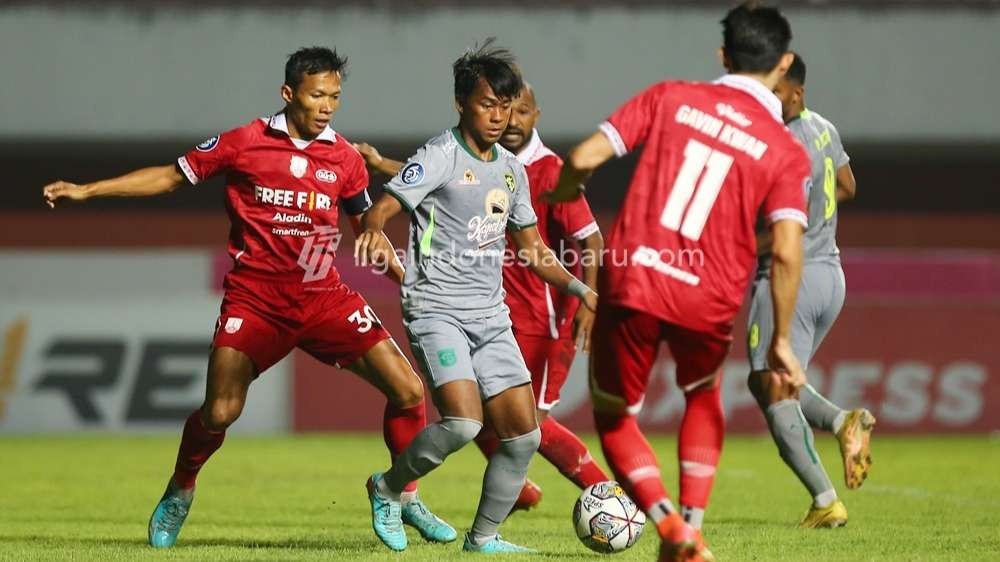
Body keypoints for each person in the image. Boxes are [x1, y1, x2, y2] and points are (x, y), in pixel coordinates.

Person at [42, 47, 454, 549]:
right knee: (219, 412)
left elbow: (368, 233)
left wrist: (409, 282)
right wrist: (87, 191)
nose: (327, 105)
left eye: (335, 96)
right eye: (316, 95)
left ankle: (399, 495)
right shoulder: (244, 142)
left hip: (324, 298)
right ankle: (181, 488)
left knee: (409, 390)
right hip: (255, 301)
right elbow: (172, 176)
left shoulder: (345, 158)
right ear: (288, 94)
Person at [548, 4, 810, 560]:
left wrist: (566, 190)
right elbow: (787, 249)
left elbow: (583, 156)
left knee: (616, 416)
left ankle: (669, 525)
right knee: (702, 393)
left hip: (636, 279)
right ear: (783, 64)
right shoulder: (785, 151)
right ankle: (692, 523)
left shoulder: (670, 97)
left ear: (723, 55)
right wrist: (782, 339)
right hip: (709, 293)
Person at [355, 40, 597, 554]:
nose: (498, 116)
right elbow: (384, 207)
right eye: (488, 104)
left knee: (523, 437)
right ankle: (388, 488)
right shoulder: (439, 155)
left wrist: (581, 288)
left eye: (505, 106)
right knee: (465, 422)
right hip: (436, 308)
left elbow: (532, 250)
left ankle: (483, 538)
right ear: (461, 103)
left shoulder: (513, 169)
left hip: (491, 316)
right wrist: (375, 229)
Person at [748, 51, 875, 528]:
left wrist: (736, 245)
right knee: (767, 382)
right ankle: (842, 422)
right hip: (831, 277)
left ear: (796, 93)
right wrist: (819, 217)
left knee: (775, 389)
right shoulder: (824, 127)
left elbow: (787, 229)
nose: (766, 99)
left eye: (775, 93)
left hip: (791, 277)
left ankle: (825, 501)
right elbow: (847, 184)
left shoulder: (781, 144)